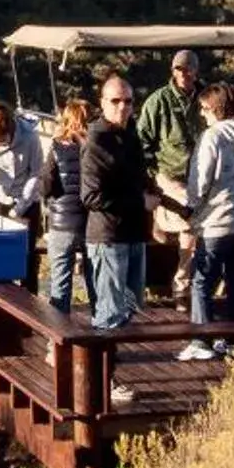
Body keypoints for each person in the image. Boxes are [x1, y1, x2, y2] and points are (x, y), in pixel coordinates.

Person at [178, 80, 234, 361]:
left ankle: (201, 340)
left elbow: (200, 181)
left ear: (214, 109)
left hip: (217, 220)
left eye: (204, 109)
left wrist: (190, 206)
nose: (202, 115)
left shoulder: (212, 137)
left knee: (202, 280)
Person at [79, 75, 149, 360]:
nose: (122, 107)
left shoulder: (129, 135)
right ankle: (103, 378)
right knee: (108, 313)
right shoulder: (97, 140)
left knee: (130, 306)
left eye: (128, 101)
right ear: (102, 103)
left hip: (133, 234)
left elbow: (135, 179)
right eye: (115, 101)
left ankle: (110, 368)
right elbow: (91, 196)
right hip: (108, 238)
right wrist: (140, 201)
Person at [136, 49, 207, 295]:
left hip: (203, 177)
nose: (184, 73)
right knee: (191, 221)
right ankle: (184, 285)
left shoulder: (206, 98)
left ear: (196, 71)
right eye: (179, 69)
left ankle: (188, 283)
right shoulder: (158, 102)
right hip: (170, 175)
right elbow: (142, 141)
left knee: (198, 224)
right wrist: (152, 176)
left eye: (188, 69)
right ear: (173, 71)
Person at [34, 97, 91, 315]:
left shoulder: (57, 147)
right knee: (95, 283)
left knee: (60, 285)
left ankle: (57, 343)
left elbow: (46, 185)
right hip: (89, 224)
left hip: (61, 223)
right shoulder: (94, 147)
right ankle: (100, 335)